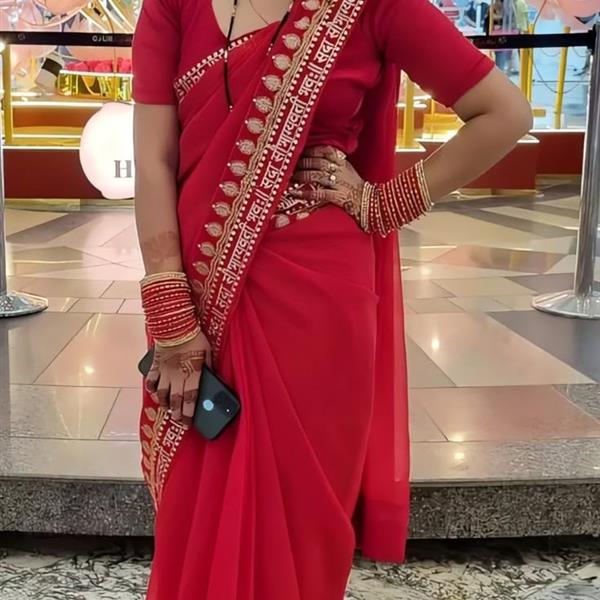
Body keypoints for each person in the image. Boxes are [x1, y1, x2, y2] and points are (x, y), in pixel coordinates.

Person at [132, 0, 532, 598]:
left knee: (300, 512)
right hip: (197, 292)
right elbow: (154, 159)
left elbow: (504, 112)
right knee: (198, 494)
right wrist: (170, 308)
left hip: (317, 305)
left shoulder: (372, 6)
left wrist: (384, 202)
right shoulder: (172, 5)